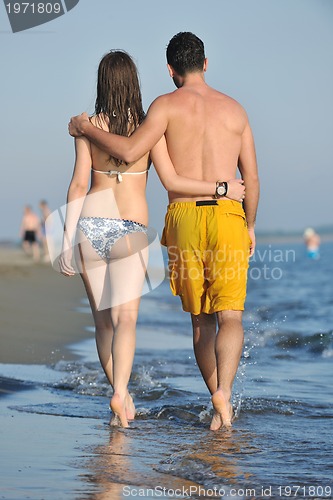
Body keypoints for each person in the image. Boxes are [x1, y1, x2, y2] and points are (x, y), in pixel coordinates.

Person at [68, 33, 259, 431]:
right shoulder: (220, 114)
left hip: (134, 219)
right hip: (181, 223)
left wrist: (84, 127)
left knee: (128, 323)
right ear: (205, 63)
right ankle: (212, 392)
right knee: (214, 318)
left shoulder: (143, 115)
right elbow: (235, 180)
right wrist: (238, 207)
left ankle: (127, 394)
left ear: (171, 69)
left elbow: (93, 177)